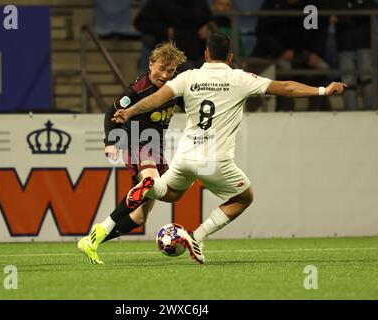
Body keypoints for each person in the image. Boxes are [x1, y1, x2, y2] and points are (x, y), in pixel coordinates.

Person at [113, 32, 347, 264]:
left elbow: (157, 98)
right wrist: (323, 90)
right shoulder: (240, 78)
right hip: (215, 160)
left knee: (172, 193)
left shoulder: (189, 77)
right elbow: (285, 87)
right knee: (244, 197)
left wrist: (130, 111)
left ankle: (150, 187)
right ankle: (197, 236)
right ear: (231, 56)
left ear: (205, 54)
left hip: (185, 156)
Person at [77, 42, 187, 264]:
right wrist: (110, 141)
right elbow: (111, 111)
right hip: (136, 141)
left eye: (171, 71)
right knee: (151, 182)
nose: (165, 75)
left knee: (140, 216)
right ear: (150, 63)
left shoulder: (175, 87)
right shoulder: (139, 89)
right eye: (161, 68)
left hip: (156, 147)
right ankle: (101, 229)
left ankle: (91, 241)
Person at [252, 0, 331, 111]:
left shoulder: (313, 5)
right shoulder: (272, 4)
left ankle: (314, 112)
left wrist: (316, 52)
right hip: (277, 55)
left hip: (305, 53)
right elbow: (264, 32)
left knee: (323, 69)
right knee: (283, 70)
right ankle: (287, 110)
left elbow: (321, 31)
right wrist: (280, 51)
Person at [134, 0, 212, 73]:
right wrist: (165, 31)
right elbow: (140, 22)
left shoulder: (199, 2)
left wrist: (206, 26)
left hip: (198, 49)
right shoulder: (161, 2)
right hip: (172, 51)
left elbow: (208, 18)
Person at [330, 0, 378, 111]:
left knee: (368, 79)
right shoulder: (337, 3)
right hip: (344, 44)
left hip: (364, 43)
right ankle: (350, 112)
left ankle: (372, 111)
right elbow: (331, 15)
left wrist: (345, 17)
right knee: (347, 81)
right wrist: (355, 14)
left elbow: (373, 8)